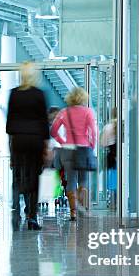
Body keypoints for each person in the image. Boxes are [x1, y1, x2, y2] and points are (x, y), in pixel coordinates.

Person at [6, 62, 49, 230]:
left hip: (18, 140)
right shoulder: (39, 94)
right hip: (35, 140)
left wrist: (11, 146)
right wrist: (46, 145)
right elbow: (44, 122)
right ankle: (32, 217)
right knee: (33, 177)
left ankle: (15, 211)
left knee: (18, 175)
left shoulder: (14, 94)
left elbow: (9, 123)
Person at [50, 87, 98, 221]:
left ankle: (73, 212)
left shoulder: (64, 112)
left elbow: (53, 131)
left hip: (67, 150)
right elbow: (93, 133)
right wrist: (91, 145)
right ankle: (83, 208)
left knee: (71, 180)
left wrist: (63, 141)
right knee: (83, 180)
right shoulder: (88, 112)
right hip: (84, 149)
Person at [100, 107, 118, 209]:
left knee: (112, 179)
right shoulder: (124, 125)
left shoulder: (108, 127)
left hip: (112, 155)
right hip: (123, 156)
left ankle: (113, 202)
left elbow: (102, 143)